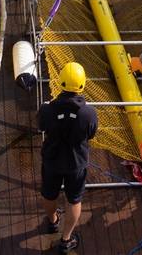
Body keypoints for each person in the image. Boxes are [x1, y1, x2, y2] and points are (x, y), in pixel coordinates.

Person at [39, 62, 98, 253]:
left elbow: (41, 126)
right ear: (82, 85)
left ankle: (52, 221)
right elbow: (91, 134)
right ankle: (65, 240)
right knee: (74, 199)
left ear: (60, 82)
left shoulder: (47, 110)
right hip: (76, 163)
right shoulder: (89, 114)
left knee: (49, 194)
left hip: (52, 160)